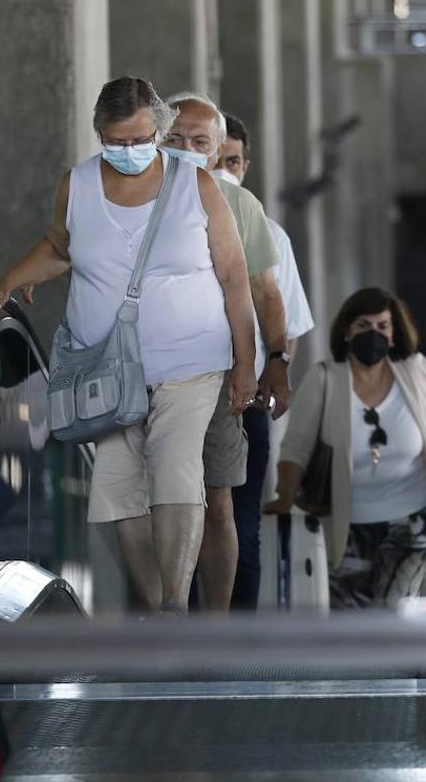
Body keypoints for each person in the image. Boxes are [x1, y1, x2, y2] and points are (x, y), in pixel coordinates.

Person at [0, 77, 256, 614]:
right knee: (120, 491)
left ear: (160, 131)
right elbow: (59, 246)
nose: (127, 151)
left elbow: (235, 276)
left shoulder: (198, 186)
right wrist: (6, 282)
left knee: (176, 471)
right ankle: (158, 611)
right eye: (115, 141)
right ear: (99, 132)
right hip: (104, 368)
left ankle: (175, 604)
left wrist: (247, 363)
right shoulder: (77, 185)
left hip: (190, 363)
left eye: (140, 139)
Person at [163, 92, 290, 612]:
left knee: (218, 504)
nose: (186, 150)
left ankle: (213, 628)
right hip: (146, 374)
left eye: (199, 142)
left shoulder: (239, 206)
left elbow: (264, 292)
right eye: (174, 140)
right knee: (156, 506)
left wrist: (273, 362)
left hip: (219, 378)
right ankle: (163, 617)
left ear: (218, 151)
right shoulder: (124, 194)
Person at [266, 288, 426, 610]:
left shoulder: (417, 372)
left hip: (412, 524)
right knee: (349, 619)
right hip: (347, 526)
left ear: (394, 334)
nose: (374, 334)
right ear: (347, 331)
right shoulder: (324, 379)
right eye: (364, 325)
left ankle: (402, 661)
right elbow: (296, 446)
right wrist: (285, 496)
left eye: (383, 326)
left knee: (393, 607)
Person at [215, 111, 315, 610]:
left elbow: (287, 326)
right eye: (214, 159)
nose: (223, 170)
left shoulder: (270, 235)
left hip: (246, 401)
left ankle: (238, 646)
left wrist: (269, 377)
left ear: (246, 166)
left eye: (232, 161)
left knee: (242, 526)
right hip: (179, 395)